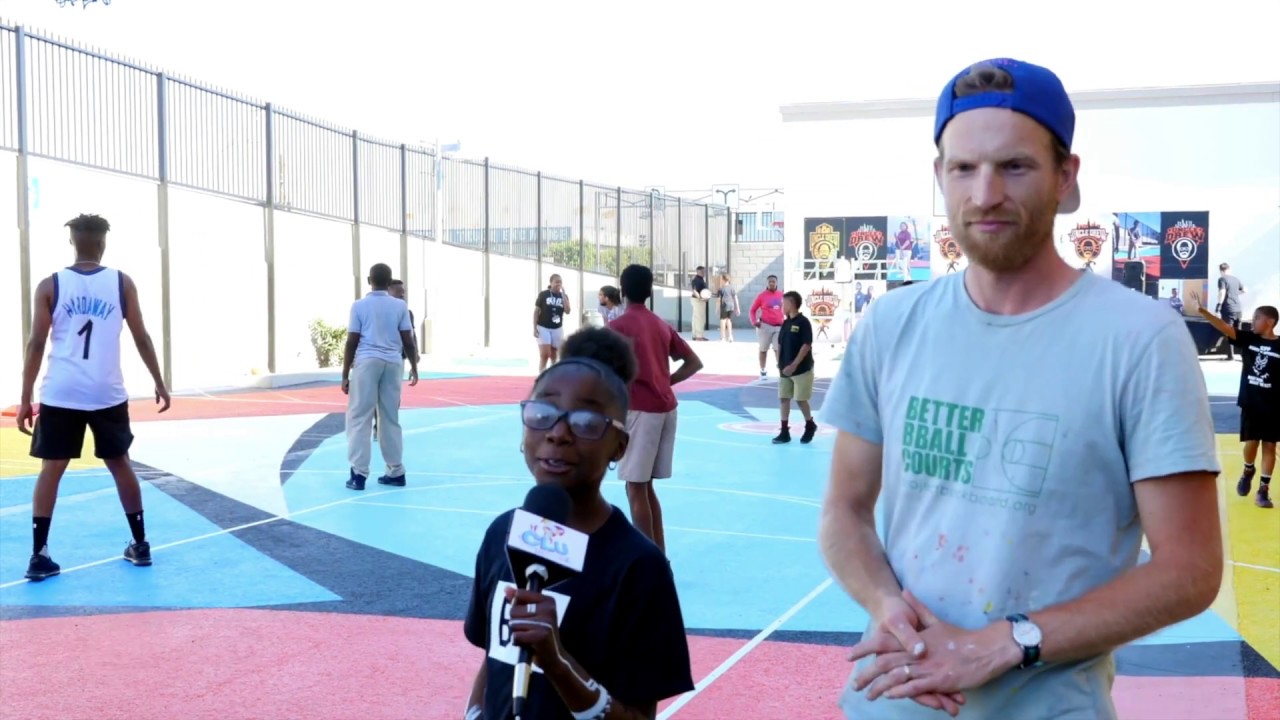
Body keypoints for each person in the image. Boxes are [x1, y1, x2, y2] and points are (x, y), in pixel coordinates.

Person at [820, 58, 1222, 719]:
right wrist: (886, 605)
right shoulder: (892, 324)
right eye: (963, 168)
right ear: (939, 176)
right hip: (887, 703)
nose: (984, 194)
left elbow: (1190, 570)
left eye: (1014, 166)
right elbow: (845, 511)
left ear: (1066, 178)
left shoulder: (1139, 339)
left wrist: (1006, 643)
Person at [463, 327, 695, 720]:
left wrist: (558, 663)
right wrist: (473, 713)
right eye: (543, 414)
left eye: (586, 423)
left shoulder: (639, 568)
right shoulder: (502, 535)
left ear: (619, 447)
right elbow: (493, 657)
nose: (558, 434)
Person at [16, 214, 171, 581]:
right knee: (120, 463)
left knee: (52, 468)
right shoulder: (122, 283)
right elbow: (142, 337)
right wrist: (159, 382)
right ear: (103, 243)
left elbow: (36, 343)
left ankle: (39, 555)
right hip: (107, 391)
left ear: (72, 241)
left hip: (61, 391)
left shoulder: (50, 285)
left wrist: (25, 397)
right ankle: (140, 544)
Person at [608, 264, 703, 553]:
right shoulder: (661, 324)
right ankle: (660, 557)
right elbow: (694, 363)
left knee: (635, 488)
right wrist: (665, 381)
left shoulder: (617, 328)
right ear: (650, 292)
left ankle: (650, 564)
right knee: (646, 487)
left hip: (639, 411)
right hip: (665, 410)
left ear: (622, 290)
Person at [341, 263, 419, 491]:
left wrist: (345, 374)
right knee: (390, 417)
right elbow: (408, 339)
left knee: (359, 417)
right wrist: (414, 366)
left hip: (367, 362)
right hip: (393, 363)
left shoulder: (359, 306)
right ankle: (395, 471)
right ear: (389, 281)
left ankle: (358, 474)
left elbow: (351, 341)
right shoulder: (400, 306)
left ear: (368, 280)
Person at [1197, 302, 1278, 508]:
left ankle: (1263, 490)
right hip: (1251, 402)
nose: (1253, 322)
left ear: (1270, 322)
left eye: (1257, 318)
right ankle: (1248, 469)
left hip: (1274, 406)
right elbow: (1225, 327)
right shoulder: (1249, 339)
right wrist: (1204, 312)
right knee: (1252, 443)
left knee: (1270, 446)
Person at [374, 279, 418, 441]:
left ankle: (386, 427)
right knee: (374, 394)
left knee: (393, 394)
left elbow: (410, 336)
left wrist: (415, 356)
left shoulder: (406, 311)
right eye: (399, 291)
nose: (402, 294)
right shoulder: (375, 308)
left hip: (396, 358)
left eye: (403, 291)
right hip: (375, 357)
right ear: (389, 289)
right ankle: (377, 424)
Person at [773, 291, 818, 445]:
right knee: (784, 398)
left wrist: (794, 365)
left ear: (791, 304)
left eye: (783, 303)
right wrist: (779, 362)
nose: (781, 307)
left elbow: (806, 345)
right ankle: (784, 431)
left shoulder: (803, 323)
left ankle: (810, 424)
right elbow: (779, 344)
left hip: (801, 370)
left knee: (800, 400)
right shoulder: (785, 323)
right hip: (784, 370)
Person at [749, 275, 784, 378]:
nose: (771, 283)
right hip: (765, 326)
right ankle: (763, 369)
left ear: (777, 282)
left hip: (778, 327)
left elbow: (787, 309)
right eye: (770, 282)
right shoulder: (762, 296)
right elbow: (752, 310)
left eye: (773, 281)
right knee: (763, 349)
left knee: (778, 349)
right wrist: (754, 321)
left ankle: (781, 370)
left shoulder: (781, 295)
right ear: (767, 283)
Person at [535, 274, 571, 371]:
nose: (558, 284)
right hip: (543, 327)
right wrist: (534, 327)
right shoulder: (543, 294)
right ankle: (541, 375)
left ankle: (553, 374)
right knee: (545, 354)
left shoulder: (563, 296)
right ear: (551, 283)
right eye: (556, 282)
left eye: (560, 282)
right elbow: (536, 311)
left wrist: (564, 295)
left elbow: (567, 311)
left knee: (554, 354)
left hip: (557, 328)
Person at [1215, 263, 1247, 360]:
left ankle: (1230, 356)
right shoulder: (1236, 279)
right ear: (1229, 269)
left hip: (1228, 309)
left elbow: (1222, 292)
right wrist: (1235, 294)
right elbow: (1245, 290)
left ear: (1221, 271)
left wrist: (1218, 305)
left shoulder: (1222, 279)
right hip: (1238, 309)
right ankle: (1243, 355)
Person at [716, 272, 740, 342]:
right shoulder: (732, 288)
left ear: (723, 280)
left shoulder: (721, 289)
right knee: (729, 320)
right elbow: (735, 297)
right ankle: (730, 336)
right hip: (731, 306)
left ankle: (722, 337)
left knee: (722, 321)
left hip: (724, 305)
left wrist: (717, 309)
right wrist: (737, 308)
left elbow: (719, 300)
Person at [690, 266, 709, 341]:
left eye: (703, 271)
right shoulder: (697, 280)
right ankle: (699, 336)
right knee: (700, 318)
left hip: (696, 300)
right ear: (698, 272)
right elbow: (694, 291)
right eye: (702, 271)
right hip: (698, 300)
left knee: (696, 318)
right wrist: (701, 298)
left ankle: (695, 335)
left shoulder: (699, 279)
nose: (703, 273)